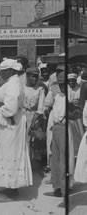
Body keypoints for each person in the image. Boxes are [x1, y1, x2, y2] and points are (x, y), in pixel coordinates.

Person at [0, 59, 33, 202]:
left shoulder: (13, 84)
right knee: (7, 152)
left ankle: (13, 188)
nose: (1, 72)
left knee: (10, 152)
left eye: (3, 70)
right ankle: (9, 184)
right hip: (9, 122)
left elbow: (10, 108)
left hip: (11, 122)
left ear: (11, 71)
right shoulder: (11, 83)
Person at [43, 72, 67, 200]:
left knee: (64, 159)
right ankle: (57, 187)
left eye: (65, 84)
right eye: (60, 84)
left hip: (64, 128)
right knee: (55, 158)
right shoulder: (57, 96)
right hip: (56, 127)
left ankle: (64, 189)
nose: (62, 87)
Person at [23, 67, 46, 162]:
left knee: (29, 141)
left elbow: (40, 108)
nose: (35, 79)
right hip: (21, 115)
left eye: (36, 77)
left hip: (33, 117)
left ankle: (28, 165)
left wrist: (34, 123)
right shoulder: (21, 88)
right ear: (27, 76)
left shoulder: (40, 90)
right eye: (33, 77)